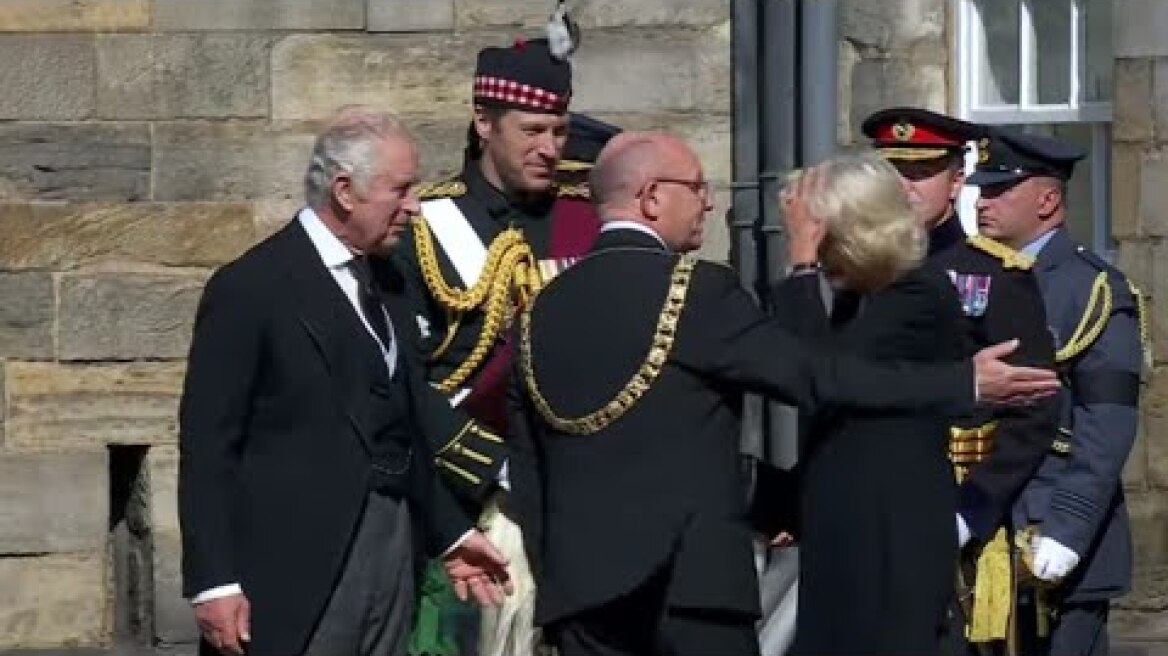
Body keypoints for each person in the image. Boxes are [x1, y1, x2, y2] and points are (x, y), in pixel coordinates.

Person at [507, 131, 1060, 656]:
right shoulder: (696, 289)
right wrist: (961, 382)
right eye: (698, 187)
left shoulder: (538, 307)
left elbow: (529, 463)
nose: (709, 203)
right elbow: (813, 376)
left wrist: (553, 571)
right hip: (692, 582)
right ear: (652, 198)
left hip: (584, 587)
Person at [178, 107, 513, 656]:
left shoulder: (391, 280)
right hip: (295, 568)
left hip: (391, 551)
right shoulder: (253, 287)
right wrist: (214, 582)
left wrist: (448, 532)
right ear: (345, 191)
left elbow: (404, 423)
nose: (414, 208)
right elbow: (209, 446)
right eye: (400, 190)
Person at [384, 35, 622, 656]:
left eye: (560, 131)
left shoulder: (587, 222)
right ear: (484, 122)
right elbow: (407, 378)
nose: (550, 148)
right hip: (466, 500)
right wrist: (498, 464)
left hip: (581, 492)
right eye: (533, 130)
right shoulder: (427, 227)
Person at [862, 107, 1060, 653]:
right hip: (870, 501)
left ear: (956, 180)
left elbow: (1036, 408)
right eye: (893, 172)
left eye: (921, 172)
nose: (905, 187)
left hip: (958, 501)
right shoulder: (856, 273)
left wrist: (971, 511)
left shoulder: (993, 274)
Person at [766, 152, 969, 655]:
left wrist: (800, 265)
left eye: (820, 232)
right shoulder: (862, 297)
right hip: (846, 522)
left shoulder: (916, 294)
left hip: (891, 529)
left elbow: (812, 373)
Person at [970, 129, 1149, 656]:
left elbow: (1107, 425)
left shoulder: (1093, 290)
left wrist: (1066, 529)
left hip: (1050, 532)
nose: (983, 201)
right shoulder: (974, 276)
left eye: (1000, 190)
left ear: (1048, 200)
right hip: (983, 530)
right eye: (982, 189)